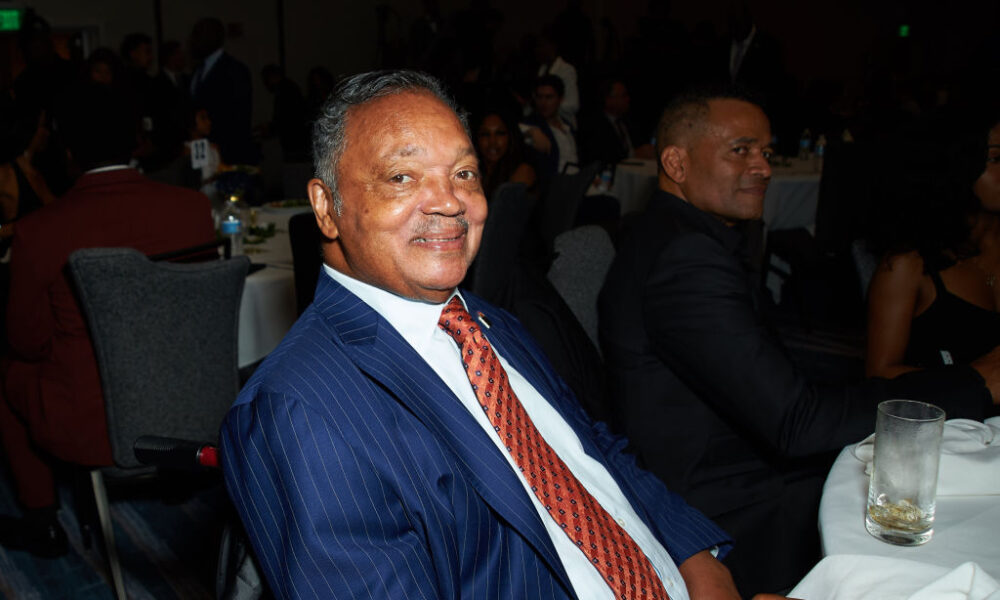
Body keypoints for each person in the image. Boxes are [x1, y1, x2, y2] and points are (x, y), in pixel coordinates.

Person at [220, 70, 754, 600]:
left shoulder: (484, 320)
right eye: (402, 177)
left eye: (464, 173)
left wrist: (695, 556)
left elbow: (591, 448)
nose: (450, 201)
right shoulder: (300, 412)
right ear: (325, 207)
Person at [598, 89, 1000, 596]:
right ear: (677, 163)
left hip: (725, 456)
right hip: (719, 506)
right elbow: (796, 424)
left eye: (766, 151)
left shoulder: (679, 234)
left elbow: (777, 385)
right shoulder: (685, 258)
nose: (764, 167)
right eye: (741, 150)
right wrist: (974, 382)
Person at [0, 84, 215, 557]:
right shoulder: (193, 209)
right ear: (137, 141)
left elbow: (27, 342)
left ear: (68, 153)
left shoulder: (38, 231)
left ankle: (41, 519)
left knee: (8, 370)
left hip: (94, 427)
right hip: (189, 404)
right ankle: (175, 475)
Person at [866, 118, 1000, 380]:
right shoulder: (911, 264)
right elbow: (880, 373)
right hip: (942, 405)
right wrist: (978, 380)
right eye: (996, 159)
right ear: (961, 165)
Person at [189, 17, 257, 165]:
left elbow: (239, 117)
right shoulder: (197, 71)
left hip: (228, 153)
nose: (192, 41)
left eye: (198, 35)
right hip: (201, 153)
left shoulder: (235, 70)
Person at [523, 74, 579, 178]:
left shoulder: (567, 125)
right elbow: (516, 130)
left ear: (560, 99)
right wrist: (531, 131)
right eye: (539, 97)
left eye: (549, 97)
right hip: (556, 181)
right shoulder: (532, 124)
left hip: (577, 178)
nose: (543, 102)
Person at [474, 110, 536, 199]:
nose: (492, 142)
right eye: (485, 134)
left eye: (500, 133)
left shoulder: (523, 172)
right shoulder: (473, 172)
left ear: (510, 136)